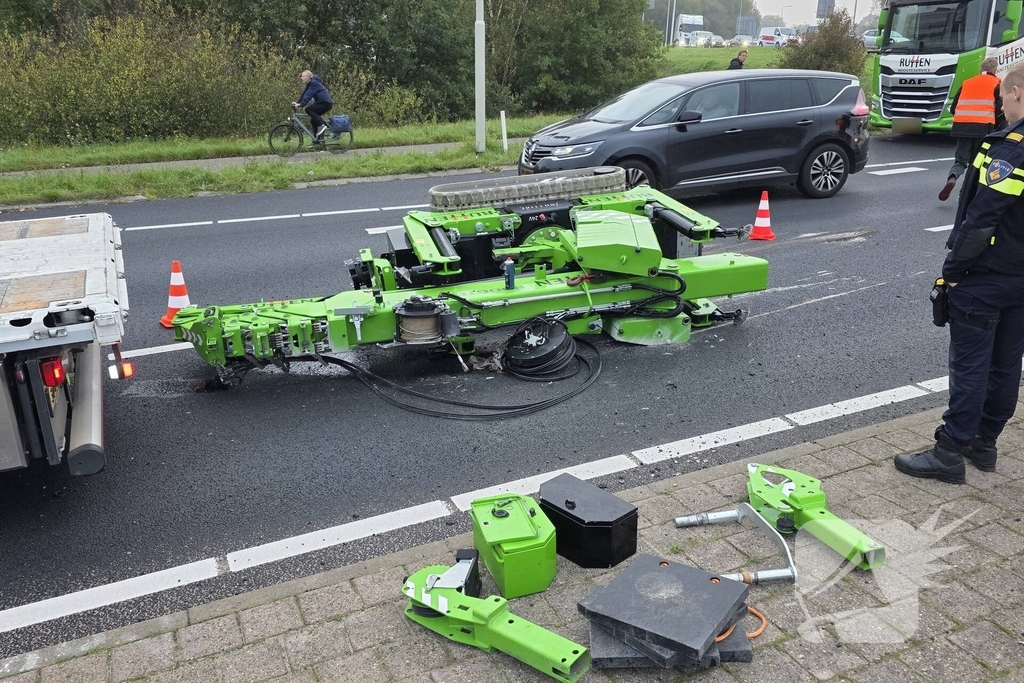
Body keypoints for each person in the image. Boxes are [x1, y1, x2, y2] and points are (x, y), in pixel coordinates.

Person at [894, 62, 1024, 484]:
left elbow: (983, 218)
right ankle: (984, 444)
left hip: (988, 275)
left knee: (972, 366)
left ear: (1017, 92)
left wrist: (951, 271)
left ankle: (950, 450)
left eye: (1002, 95)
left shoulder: (1011, 148)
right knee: (1007, 364)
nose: (999, 103)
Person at [939, 58, 1003, 201]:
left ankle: (952, 178)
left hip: (962, 127)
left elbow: (954, 107)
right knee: (976, 163)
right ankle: (964, 193)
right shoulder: (997, 83)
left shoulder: (967, 83)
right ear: (995, 70)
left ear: (981, 69)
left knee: (960, 161)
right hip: (983, 129)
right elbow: (1000, 110)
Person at [293, 70, 333, 141]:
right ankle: (317, 140)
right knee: (313, 120)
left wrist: (301, 104)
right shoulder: (310, 84)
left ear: (308, 77)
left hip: (325, 103)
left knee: (308, 109)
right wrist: (298, 102)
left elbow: (308, 95)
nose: (301, 78)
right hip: (323, 103)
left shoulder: (314, 83)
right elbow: (304, 94)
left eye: (303, 76)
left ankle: (322, 125)